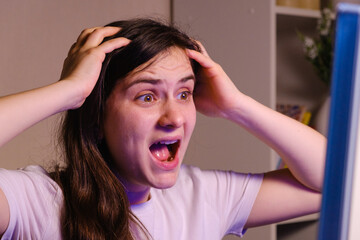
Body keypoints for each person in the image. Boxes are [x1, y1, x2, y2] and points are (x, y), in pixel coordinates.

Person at [0, 18, 326, 239]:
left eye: (184, 93)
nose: (174, 117)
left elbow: (336, 180)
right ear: (97, 118)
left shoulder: (204, 196)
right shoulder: (39, 202)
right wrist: (68, 92)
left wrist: (236, 105)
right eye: (147, 96)